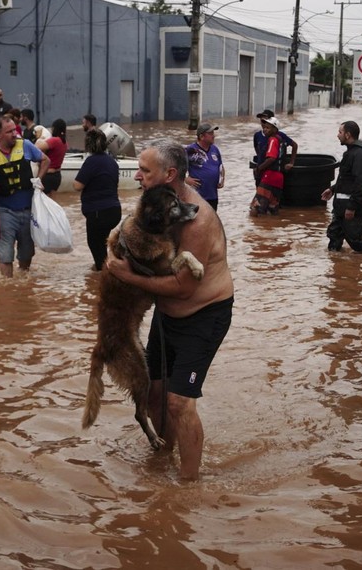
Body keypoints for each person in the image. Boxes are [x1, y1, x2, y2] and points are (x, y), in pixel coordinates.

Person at [106, 139, 233, 481]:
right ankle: (161, 459)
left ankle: (188, 485)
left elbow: (183, 286)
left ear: (169, 174)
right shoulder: (154, 202)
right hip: (167, 315)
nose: (137, 176)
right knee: (155, 394)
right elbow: (126, 231)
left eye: (144, 170)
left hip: (204, 315)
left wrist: (127, 275)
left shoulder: (198, 221)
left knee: (179, 403)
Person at [0, 114, 49, 277]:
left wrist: (38, 180)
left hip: (27, 209)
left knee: (27, 252)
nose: (15, 134)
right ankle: (8, 287)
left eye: (15, 130)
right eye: (10, 131)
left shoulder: (25, 145)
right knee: (5, 253)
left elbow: (45, 160)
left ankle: (23, 281)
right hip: (3, 210)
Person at [73, 128, 121, 271]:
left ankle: (102, 276)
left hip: (98, 212)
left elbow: (77, 185)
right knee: (102, 243)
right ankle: (104, 268)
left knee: (95, 244)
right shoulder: (112, 162)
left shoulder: (91, 161)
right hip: (114, 211)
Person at [321, 120, 362, 252]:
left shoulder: (359, 155)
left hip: (350, 209)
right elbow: (347, 179)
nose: (338, 135)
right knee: (334, 238)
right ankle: (336, 270)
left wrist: (352, 207)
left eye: (340, 132)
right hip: (340, 208)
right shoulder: (351, 153)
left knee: (355, 241)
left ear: (348, 135)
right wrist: (332, 189)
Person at [251, 116, 296, 216]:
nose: (265, 130)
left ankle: (258, 231)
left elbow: (271, 158)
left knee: (255, 210)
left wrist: (259, 168)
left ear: (275, 129)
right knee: (272, 210)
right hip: (279, 178)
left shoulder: (272, 140)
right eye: (264, 127)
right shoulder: (281, 139)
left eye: (268, 128)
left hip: (270, 176)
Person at [185, 122, 224, 210]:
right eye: (210, 134)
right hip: (197, 196)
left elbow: (220, 166)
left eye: (213, 133)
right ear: (202, 136)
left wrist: (222, 178)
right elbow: (176, 168)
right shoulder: (190, 150)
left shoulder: (215, 149)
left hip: (213, 196)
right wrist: (185, 179)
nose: (213, 136)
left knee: (211, 222)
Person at [37, 118, 68, 194]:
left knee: (42, 201)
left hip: (48, 175)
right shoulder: (64, 143)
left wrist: (39, 138)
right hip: (57, 176)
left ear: (54, 128)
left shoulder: (54, 140)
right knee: (52, 202)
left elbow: (37, 147)